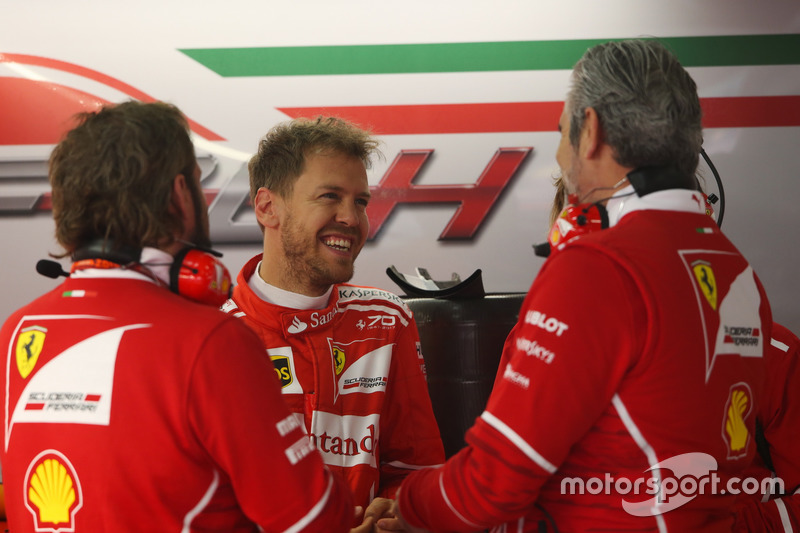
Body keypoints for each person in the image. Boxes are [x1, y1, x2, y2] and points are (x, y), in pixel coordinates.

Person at [383, 39, 773, 532]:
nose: (561, 153)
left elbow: (492, 487)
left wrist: (405, 506)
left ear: (590, 131)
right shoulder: (737, 271)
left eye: (561, 132)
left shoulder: (597, 268)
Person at [0, 101, 353, 532]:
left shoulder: (18, 331)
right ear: (179, 194)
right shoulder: (211, 340)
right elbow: (316, 519)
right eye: (199, 185)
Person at [221, 116, 445, 531]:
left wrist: (396, 516)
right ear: (268, 207)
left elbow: (417, 472)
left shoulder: (386, 320)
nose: (351, 218)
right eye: (330, 196)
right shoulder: (213, 336)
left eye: (360, 201)